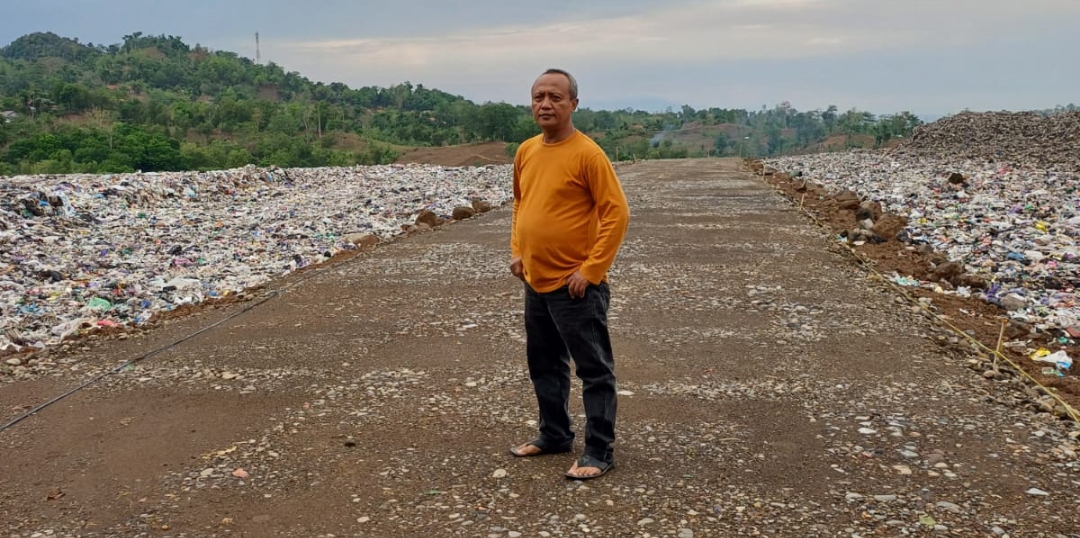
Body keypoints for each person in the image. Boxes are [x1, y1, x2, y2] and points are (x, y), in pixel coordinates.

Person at [508, 68, 631, 480]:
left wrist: (592, 269)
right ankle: (555, 434)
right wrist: (518, 252)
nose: (545, 103)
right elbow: (520, 206)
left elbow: (617, 214)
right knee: (544, 363)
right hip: (535, 280)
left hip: (576, 286)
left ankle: (599, 450)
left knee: (593, 369)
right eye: (539, 96)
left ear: (573, 104)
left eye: (555, 97)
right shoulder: (526, 151)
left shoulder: (587, 154)